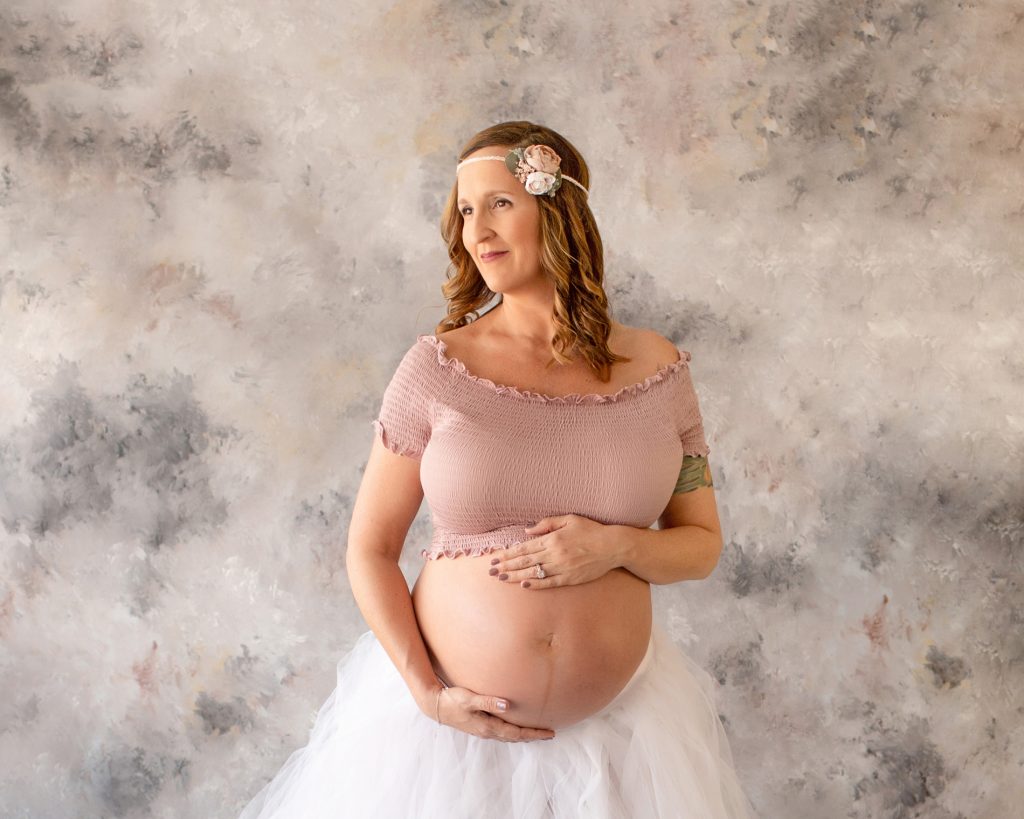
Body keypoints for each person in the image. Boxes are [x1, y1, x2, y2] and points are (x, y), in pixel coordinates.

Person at [237, 121, 756, 818]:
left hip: (625, 745)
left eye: (500, 202)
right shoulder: (436, 368)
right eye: (466, 210)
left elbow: (701, 542)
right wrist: (427, 692)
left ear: (561, 209)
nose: (477, 228)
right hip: (446, 748)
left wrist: (618, 545)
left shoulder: (660, 371)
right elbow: (370, 548)